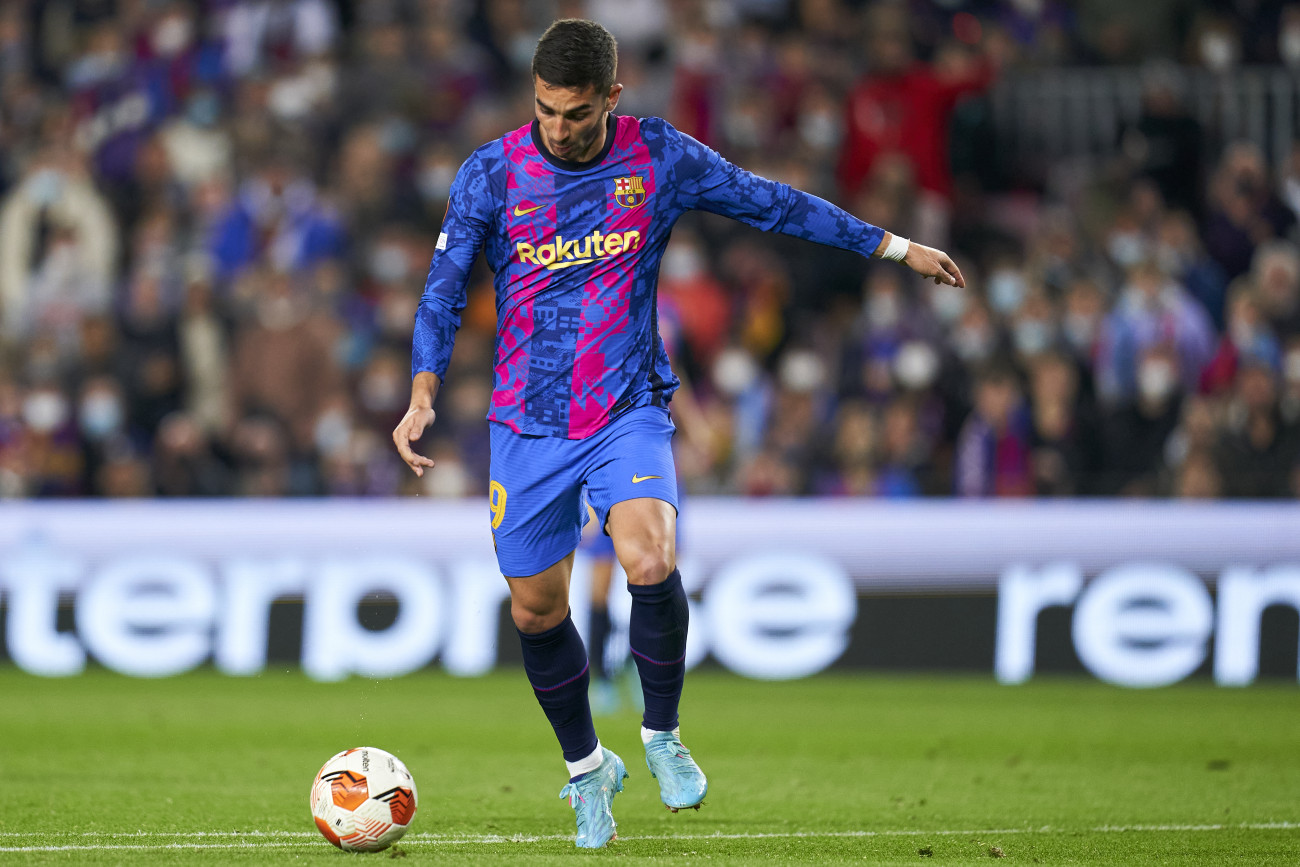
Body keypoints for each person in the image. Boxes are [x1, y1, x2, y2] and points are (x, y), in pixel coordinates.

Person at [392, 18, 964, 849]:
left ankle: (661, 734)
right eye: (547, 111)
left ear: (613, 99)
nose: (559, 129)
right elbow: (443, 291)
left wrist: (894, 245)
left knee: (650, 556)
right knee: (537, 609)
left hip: (626, 405)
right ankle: (589, 768)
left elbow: (774, 204)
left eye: (577, 113)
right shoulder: (491, 172)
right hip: (527, 420)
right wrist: (421, 391)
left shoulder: (659, 157)